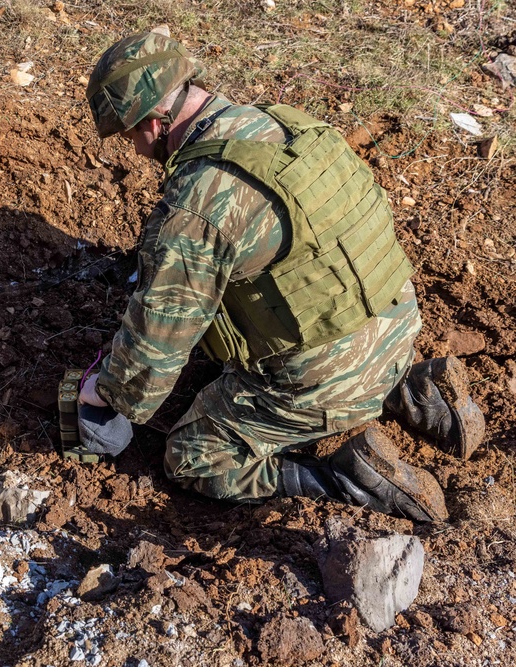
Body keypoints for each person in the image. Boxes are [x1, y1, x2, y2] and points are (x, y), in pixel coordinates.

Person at [77, 32, 485, 522]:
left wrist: (104, 391)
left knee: (193, 457)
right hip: (396, 323)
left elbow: (156, 346)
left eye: (128, 136)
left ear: (153, 122)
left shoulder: (198, 207)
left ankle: (346, 478)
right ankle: (416, 390)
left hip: (327, 378)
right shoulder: (285, 123)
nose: (136, 152)